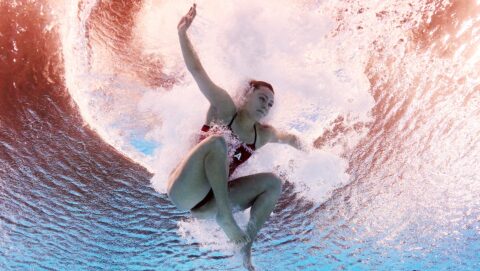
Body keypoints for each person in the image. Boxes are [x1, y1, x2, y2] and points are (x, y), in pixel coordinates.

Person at [166, 4, 306, 270]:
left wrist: (319, 156)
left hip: (210, 207)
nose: (266, 105)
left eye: (270, 104)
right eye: (262, 98)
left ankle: (245, 249)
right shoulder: (224, 108)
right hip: (185, 190)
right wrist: (182, 33)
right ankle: (226, 218)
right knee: (218, 141)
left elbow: (291, 140)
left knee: (273, 183)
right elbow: (198, 72)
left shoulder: (262, 135)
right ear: (246, 95)